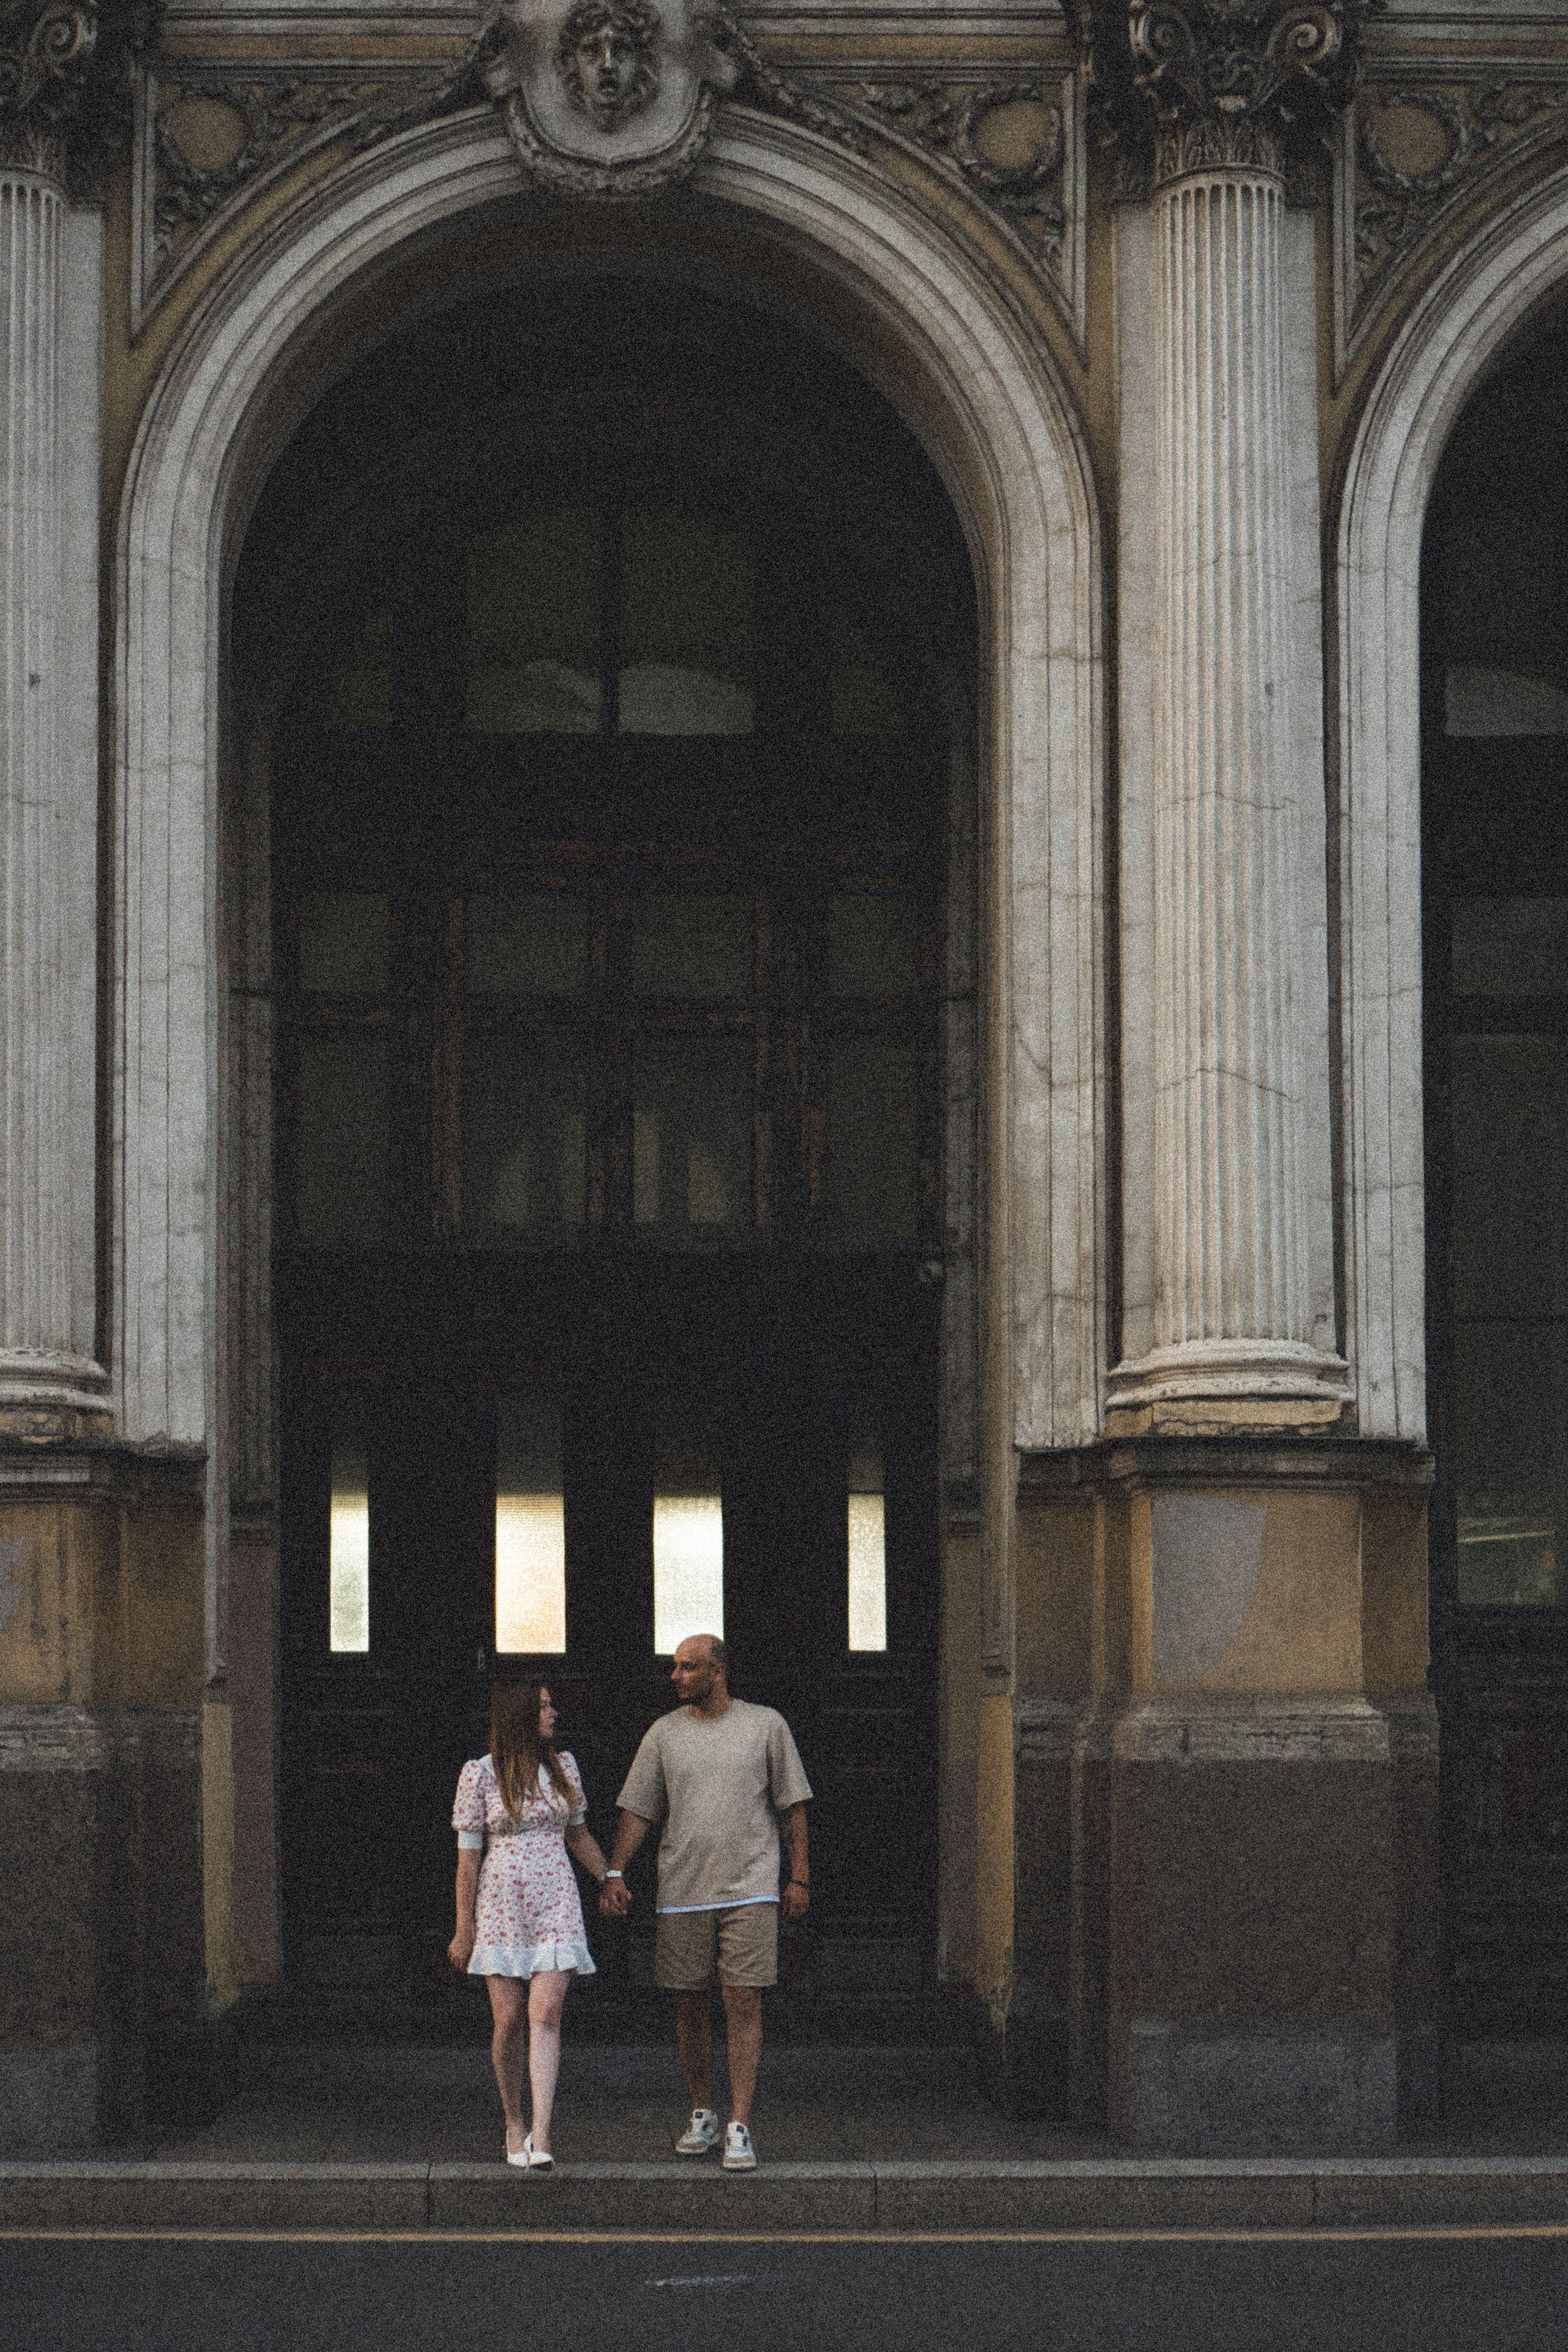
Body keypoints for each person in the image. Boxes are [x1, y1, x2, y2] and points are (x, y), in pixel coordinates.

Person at [598, 1634, 812, 2171]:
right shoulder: (663, 1733)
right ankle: (703, 2111)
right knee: (689, 2003)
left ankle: (740, 2123)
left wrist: (800, 1878)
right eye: (675, 1667)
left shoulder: (765, 1725)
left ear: (718, 1673)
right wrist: (615, 1871)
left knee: (743, 1999)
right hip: (683, 1890)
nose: (676, 1676)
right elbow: (638, 1808)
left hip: (751, 1888)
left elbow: (793, 1806)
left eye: (688, 1667)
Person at [449, 1681, 613, 2170]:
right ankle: (514, 2121)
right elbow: (467, 1862)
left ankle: (541, 2136)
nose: (553, 1713)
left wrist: (609, 1878)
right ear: (520, 1715)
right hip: (502, 1905)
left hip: (556, 1899)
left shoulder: (563, 1767)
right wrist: (463, 1929)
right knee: (509, 2020)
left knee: (546, 2012)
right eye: (543, 1706)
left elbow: (578, 1835)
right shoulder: (480, 1774)